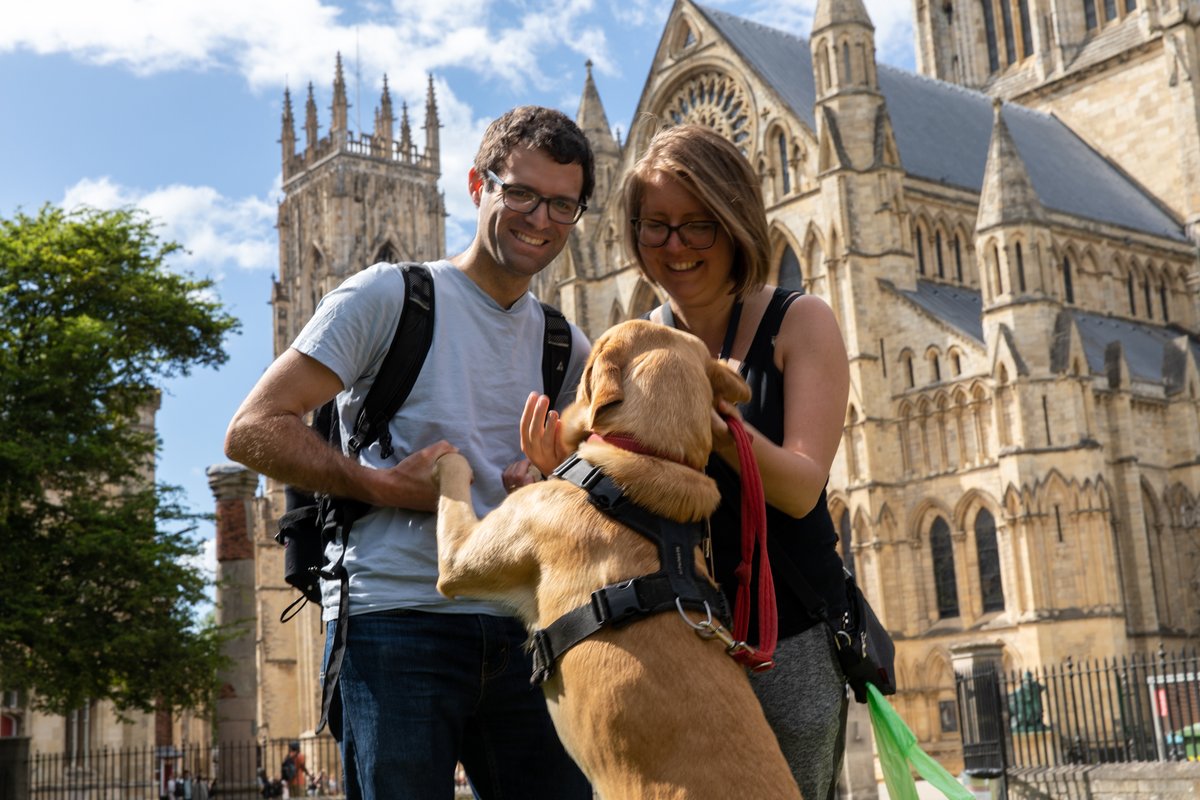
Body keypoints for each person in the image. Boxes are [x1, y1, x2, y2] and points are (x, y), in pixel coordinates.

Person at [225, 105, 595, 800]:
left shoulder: (563, 343)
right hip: (394, 623)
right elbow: (251, 429)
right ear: (475, 185)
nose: (539, 218)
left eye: (561, 205)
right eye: (520, 192)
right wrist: (385, 486)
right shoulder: (388, 296)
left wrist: (549, 484)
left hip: (525, 630)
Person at [522, 123, 852, 800]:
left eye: (698, 225)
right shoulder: (630, 344)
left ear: (735, 222)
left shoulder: (799, 321)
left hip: (779, 637)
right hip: (663, 644)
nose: (674, 247)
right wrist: (555, 471)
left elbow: (799, 487)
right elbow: (609, 496)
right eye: (655, 226)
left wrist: (715, 421)